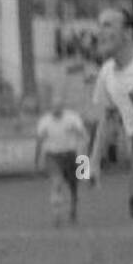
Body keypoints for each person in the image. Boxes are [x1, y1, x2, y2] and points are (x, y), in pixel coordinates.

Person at [86, 5, 133, 217]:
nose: (100, 32)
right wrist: (94, 163)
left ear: (127, 33)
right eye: (99, 26)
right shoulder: (106, 74)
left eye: (108, 25)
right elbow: (107, 120)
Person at [33, 90, 88, 225]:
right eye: (53, 107)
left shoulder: (72, 118)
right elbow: (39, 141)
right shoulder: (45, 121)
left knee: (73, 186)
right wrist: (37, 159)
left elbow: (84, 136)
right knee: (56, 183)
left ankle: (73, 210)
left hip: (70, 155)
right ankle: (56, 213)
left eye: (59, 107)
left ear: (63, 107)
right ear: (51, 108)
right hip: (53, 156)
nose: (56, 110)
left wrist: (84, 159)